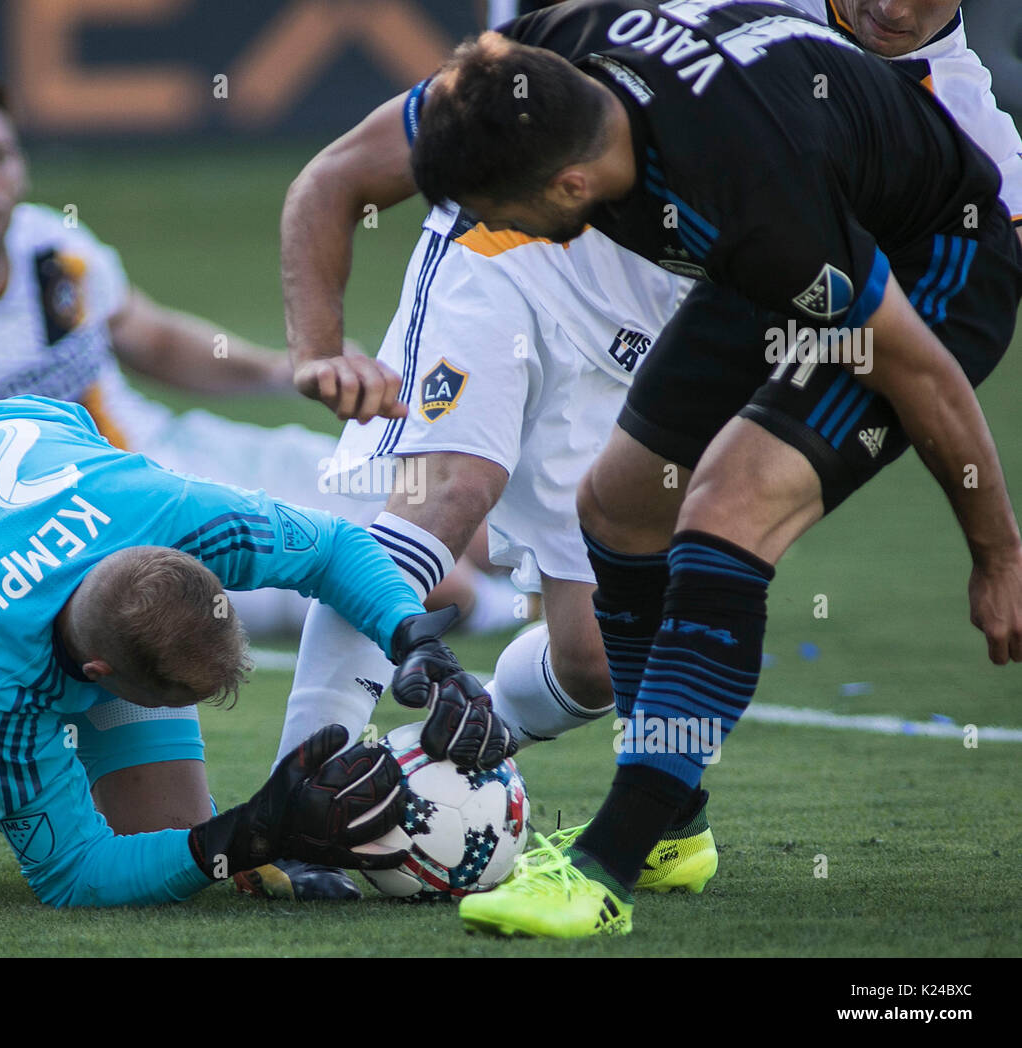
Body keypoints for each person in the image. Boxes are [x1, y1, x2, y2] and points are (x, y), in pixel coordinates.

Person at [275, 0, 1022, 903]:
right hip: (516, 250)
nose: (892, 8)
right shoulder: (560, 56)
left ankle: (487, 751)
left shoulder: (879, 156)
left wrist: (997, 553)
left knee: (591, 660)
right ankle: (302, 809)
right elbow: (337, 177)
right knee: (448, 494)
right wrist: (319, 349)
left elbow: (923, 361)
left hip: (682, 313)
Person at [0, 72, 512, 640]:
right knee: (435, 582)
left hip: (188, 452)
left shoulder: (52, 246)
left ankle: (584, 616)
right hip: (119, 544)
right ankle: (569, 651)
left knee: (443, 496)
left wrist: (285, 368)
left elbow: (154, 339)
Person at [0, 395, 511, 905]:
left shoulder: (170, 510)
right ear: (101, 678)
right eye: (182, 695)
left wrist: (413, 639)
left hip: (20, 440)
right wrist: (243, 834)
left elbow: (338, 546)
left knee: (162, 847)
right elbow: (72, 877)